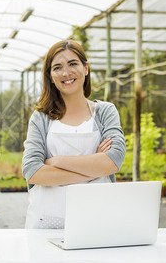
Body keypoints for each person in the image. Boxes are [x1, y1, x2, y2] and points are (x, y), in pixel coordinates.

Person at [22, 40, 126, 229]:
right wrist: (94, 168)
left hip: (98, 218)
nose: (66, 73)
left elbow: (113, 160)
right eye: (57, 67)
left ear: (86, 68)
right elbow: (32, 171)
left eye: (73, 64)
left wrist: (57, 161)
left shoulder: (105, 112)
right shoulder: (41, 117)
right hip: (47, 220)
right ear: (50, 76)